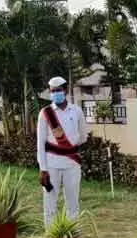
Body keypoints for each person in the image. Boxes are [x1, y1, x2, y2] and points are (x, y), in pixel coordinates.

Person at [37, 76, 89, 227]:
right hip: (51, 163)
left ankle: (73, 236)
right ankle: (51, 237)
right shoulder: (45, 113)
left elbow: (82, 136)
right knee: (50, 203)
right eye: (52, 91)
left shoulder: (77, 111)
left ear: (65, 91)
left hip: (72, 163)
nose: (55, 94)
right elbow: (40, 143)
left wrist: (69, 148)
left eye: (58, 90)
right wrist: (43, 169)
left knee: (72, 202)